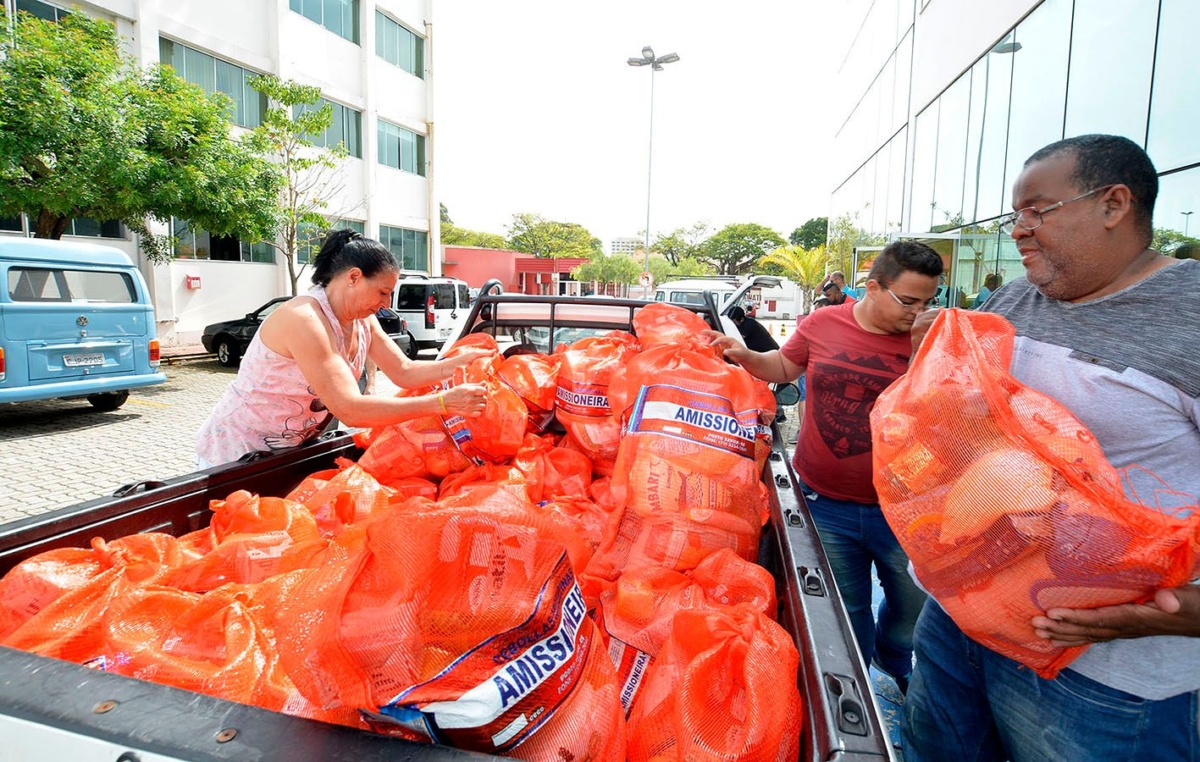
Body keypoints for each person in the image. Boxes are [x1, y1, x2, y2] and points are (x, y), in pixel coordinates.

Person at [902, 134, 1200, 762]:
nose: (1018, 231)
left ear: (1115, 203)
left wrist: (1186, 612)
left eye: (1038, 210)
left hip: (1106, 678)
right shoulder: (1015, 299)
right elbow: (969, 430)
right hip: (959, 620)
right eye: (1016, 215)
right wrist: (931, 366)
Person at [707, 241, 943, 693]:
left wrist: (919, 351)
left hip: (906, 509)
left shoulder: (933, 340)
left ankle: (895, 656)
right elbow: (782, 366)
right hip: (825, 503)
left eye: (928, 301)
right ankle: (858, 694)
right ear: (873, 287)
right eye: (908, 301)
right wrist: (743, 356)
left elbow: (936, 409)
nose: (918, 311)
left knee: (911, 609)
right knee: (846, 615)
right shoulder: (823, 323)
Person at [196, 229, 490, 468]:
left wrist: (458, 363)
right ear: (353, 277)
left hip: (287, 452)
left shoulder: (362, 321)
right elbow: (350, 409)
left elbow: (404, 370)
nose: (386, 303)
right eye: (383, 292)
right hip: (237, 455)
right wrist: (442, 403)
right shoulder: (304, 319)